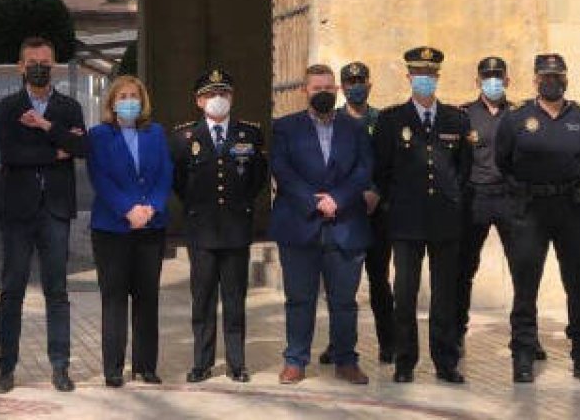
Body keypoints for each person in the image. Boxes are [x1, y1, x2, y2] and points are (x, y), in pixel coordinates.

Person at [495, 53, 580, 384]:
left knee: (579, 285)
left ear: (566, 79)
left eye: (558, 75)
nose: (551, 81)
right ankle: (523, 355)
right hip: (530, 210)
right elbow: (503, 160)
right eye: (545, 76)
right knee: (525, 286)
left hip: (571, 208)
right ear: (535, 80)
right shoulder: (516, 118)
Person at [0, 37, 87, 394]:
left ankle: (60, 366)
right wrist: (56, 152)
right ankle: (5, 368)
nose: (39, 67)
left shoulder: (69, 107)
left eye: (45, 62)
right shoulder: (5, 108)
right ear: (20, 67)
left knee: (57, 291)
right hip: (17, 212)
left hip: (56, 210)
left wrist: (48, 130)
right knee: (11, 290)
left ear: (55, 65)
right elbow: (11, 154)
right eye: (32, 62)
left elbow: (81, 147)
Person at [269, 64, 373, 386]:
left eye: (328, 87)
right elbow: (282, 170)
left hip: (345, 224)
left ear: (337, 90)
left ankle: (346, 359)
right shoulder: (285, 127)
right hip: (300, 223)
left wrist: (337, 200)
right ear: (304, 91)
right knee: (299, 298)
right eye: (316, 88)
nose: (323, 93)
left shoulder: (355, 128)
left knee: (344, 300)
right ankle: (295, 360)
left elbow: (364, 169)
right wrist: (315, 201)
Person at [373, 47, 470, 383]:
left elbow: (464, 171)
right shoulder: (390, 121)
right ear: (409, 77)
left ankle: (446, 361)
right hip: (406, 222)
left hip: (445, 221)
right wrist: (389, 207)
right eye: (419, 74)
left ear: (438, 78)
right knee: (404, 294)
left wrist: (455, 202)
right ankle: (405, 361)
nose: (425, 80)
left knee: (445, 295)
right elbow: (381, 171)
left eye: (430, 74)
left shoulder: (457, 119)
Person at [170, 69, 267, 383]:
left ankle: (237, 363)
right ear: (199, 100)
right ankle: (202, 362)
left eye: (223, 93)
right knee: (203, 299)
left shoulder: (249, 134)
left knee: (235, 298)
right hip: (202, 231)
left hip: (237, 229)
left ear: (232, 97)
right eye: (211, 94)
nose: (218, 99)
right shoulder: (184, 137)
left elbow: (257, 179)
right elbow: (180, 183)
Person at [455, 57, 546, 361]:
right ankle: (456, 335)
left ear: (507, 81)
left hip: (511, 198)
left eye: (498, 76)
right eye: (486, 76)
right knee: (463, 270)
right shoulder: (463, 115)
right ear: (478, 81)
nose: (492, 81)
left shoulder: (521, 114)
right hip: (475, 199)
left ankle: (526, 338)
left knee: (524, 270)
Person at [87, 75, 173, 388]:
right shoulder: (98, 135)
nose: (128, 101)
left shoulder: (156, 133)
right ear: (111, 102)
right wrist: (127, 209)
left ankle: (145, 366)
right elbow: (100, 178)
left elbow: (166, 173)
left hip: (151, 226)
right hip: (111, 228)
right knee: (114, 299)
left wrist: (151, 207)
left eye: (133, 95)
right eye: (122, 96)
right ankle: (113, 368)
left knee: (147, 297)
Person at [319, 62, 393, 366]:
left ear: (369, 84)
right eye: (349, 82)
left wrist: (376, 191)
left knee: (379, 281)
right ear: (342, 87)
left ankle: (389, 343)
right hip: (346, 212)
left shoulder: (384, 120)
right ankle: (338, 343)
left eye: (360, 80)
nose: (355, 86)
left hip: (378, 212)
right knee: (341, 285)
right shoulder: (332, 120)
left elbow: (389, 162)